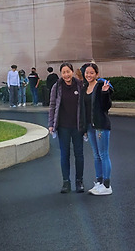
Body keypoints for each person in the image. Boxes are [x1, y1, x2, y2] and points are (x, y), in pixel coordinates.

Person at [48, 62, 86, 193]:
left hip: (77, 126)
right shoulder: (57, 86)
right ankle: (66, 182)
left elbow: (85, 105)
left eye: (68, 72)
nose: (66, 75)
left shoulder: (80, 85)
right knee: (64, 155)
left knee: (79, 155)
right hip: (63, 126)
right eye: (63, 72)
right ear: (61, 74)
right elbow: (52, 106)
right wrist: (51, 124)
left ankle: (79, 181)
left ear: (72, 72)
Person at [82, 62, 113, 195]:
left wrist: (105, 93)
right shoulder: (84, 88)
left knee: (103, 154)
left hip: (101, 125)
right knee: (96, 155)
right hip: (90, 126)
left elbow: (106, 107)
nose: (89, 75)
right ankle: (99, 182)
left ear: (97, 74)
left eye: (91, 73)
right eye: (87, 72)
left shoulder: (101, 86)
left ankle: (107, 185)